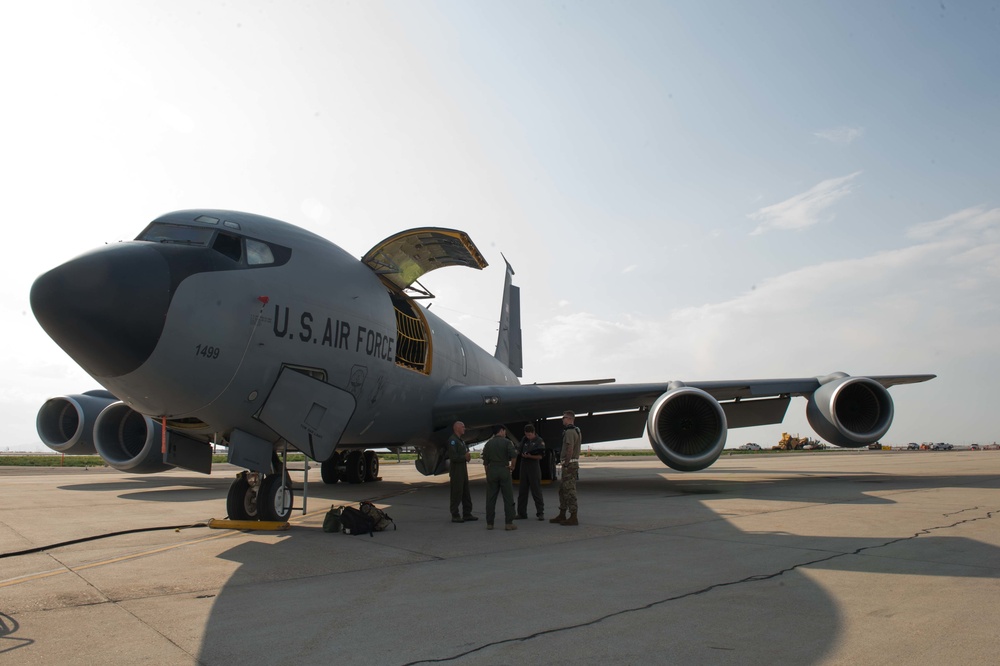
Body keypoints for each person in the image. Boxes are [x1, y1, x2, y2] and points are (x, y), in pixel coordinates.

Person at [481, 424, 518, 530]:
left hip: (492, 470)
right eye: (504, 431)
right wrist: (512, 466)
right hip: (504, 469)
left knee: (490, 498)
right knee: (508, 497)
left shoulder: (488, 444)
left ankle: (490, 523)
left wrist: (488, 473)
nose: (505, 433)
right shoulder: (507, 442)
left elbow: (485, 462)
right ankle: (509, 523)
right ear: (501, 431)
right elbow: (514, 455)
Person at [550, 410, 582, 526]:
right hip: (571, 464)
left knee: (569, 490)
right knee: (563, 490)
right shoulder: (576, 430)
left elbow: (570, 448)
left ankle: (573, 517)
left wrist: (566, 463)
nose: (562, 419)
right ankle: (562, 514)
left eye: (564, 417)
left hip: (569, 464)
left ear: (569, 418)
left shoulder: (569, 432)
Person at [447, 421, 477, 523]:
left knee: (466, 493)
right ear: (457, 428)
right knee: (456, 493)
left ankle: (467, 513)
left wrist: (467, 457)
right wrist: (464, 457)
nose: (464, 428)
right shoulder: (453, 440)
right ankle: (455, 515)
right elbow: (453, 457)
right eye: (463, 427)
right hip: (456, 471)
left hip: (463, 469)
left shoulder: (461, 441)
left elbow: (465, 453)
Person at [516, 424, 545, 520]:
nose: (528, 437)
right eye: (526, 435)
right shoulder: (524, 440)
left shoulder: (539, 441)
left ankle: (540, 512)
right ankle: (521, 513)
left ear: (533, 433)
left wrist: (530, 456)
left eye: (529, 435)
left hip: (533, 466)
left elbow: (540, 456)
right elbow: (519, 450)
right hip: (524, 466)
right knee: (522, 491)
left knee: (536, 490)